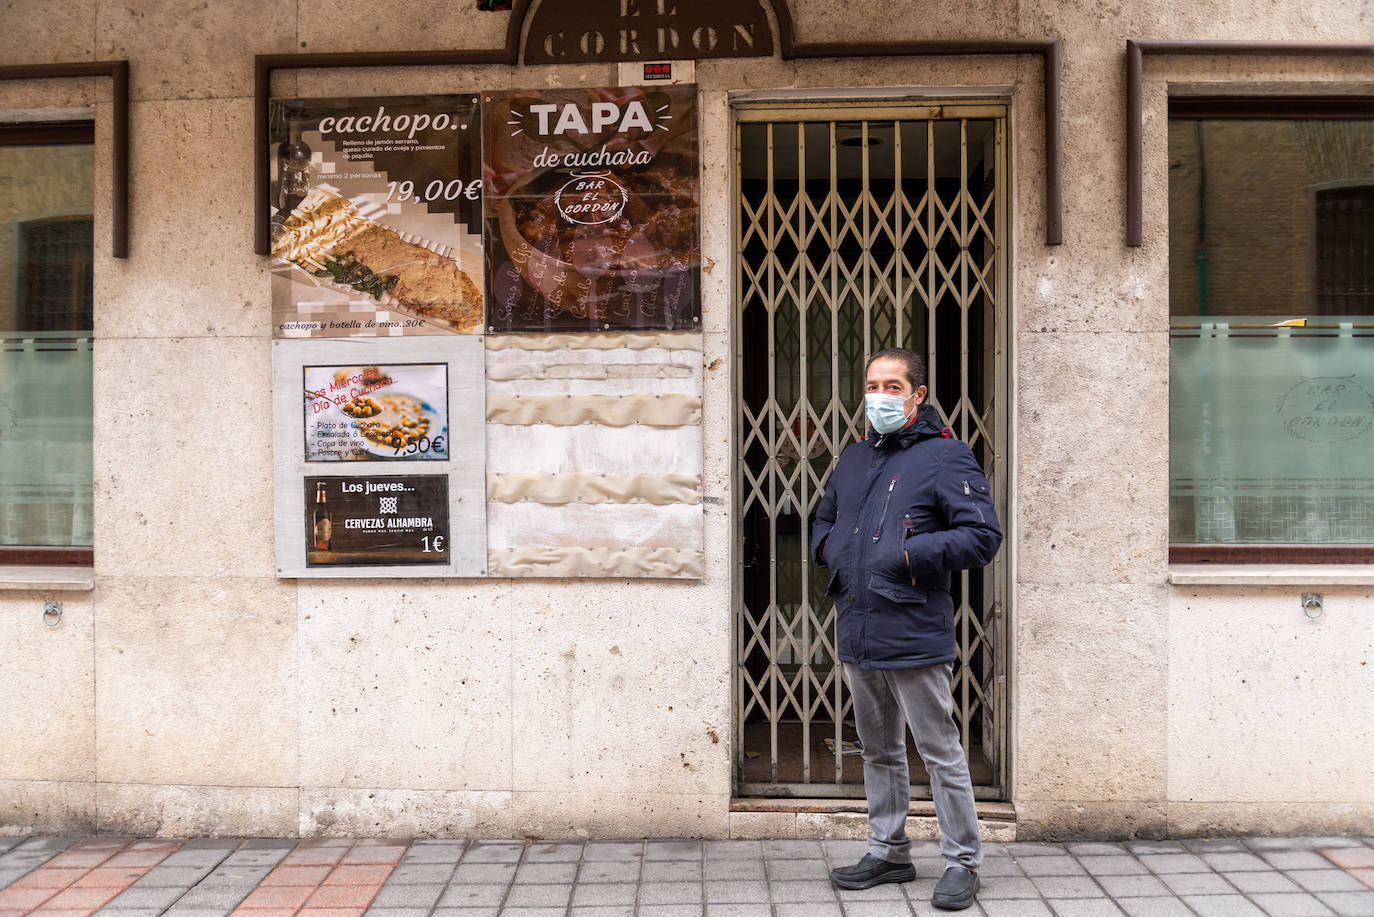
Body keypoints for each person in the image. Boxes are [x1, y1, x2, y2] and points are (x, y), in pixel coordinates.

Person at [811, 347, 1002, 911]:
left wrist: (907, 552)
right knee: (878, 751)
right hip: (858, 624)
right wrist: (832, 550)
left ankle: (962, 860)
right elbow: (826, 517)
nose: (880, 396)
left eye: (893, 386)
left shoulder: (946, 456)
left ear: (918, 395)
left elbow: (982, 536)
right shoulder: (854, 457)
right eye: (873, 385)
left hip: (914, 627)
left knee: (938, 750)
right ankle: (889, 851)